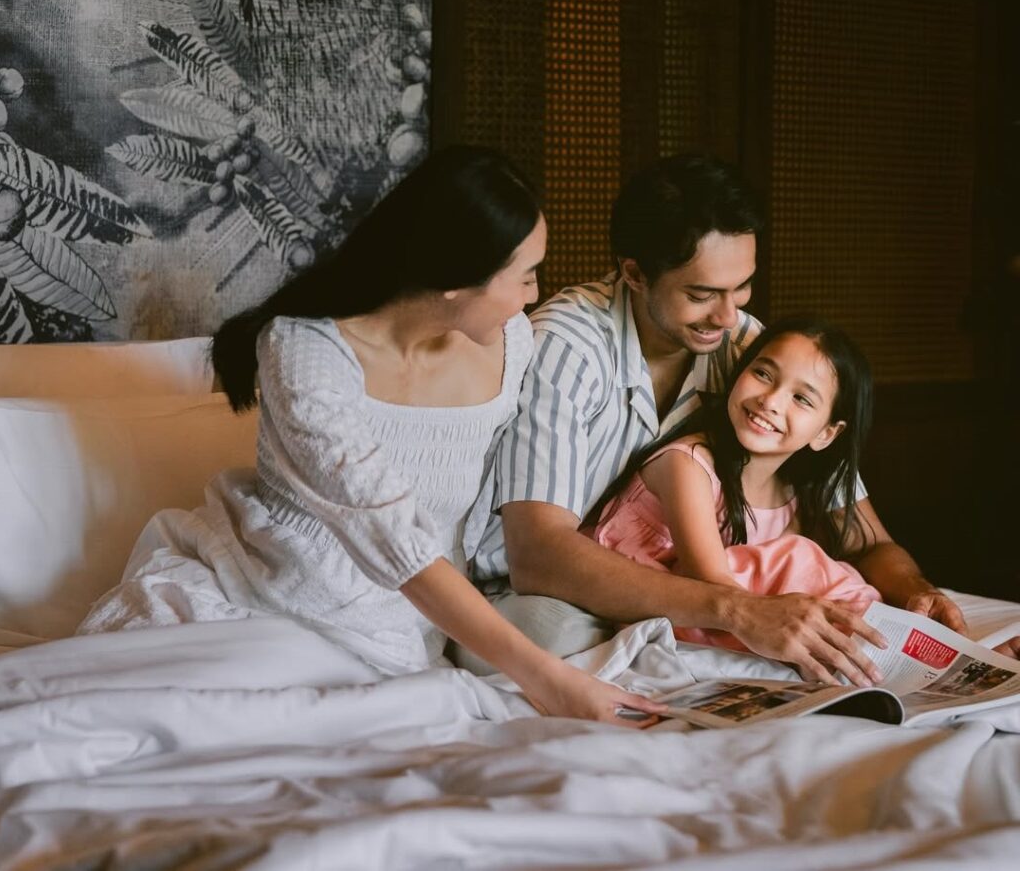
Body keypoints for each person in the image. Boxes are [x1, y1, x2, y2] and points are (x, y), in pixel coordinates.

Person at [78, 145, 667, 728]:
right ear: (455, 282)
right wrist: (551, 681)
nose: (535, 295)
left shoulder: (512, 342)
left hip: (415, 618)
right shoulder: (304, 352)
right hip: (273, 592)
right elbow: (393, 540)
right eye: (525, 277)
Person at [463, 154, 964, 686]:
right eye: (702, 295)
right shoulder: (567, 346)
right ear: (634, 273)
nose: (728, 317)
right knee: (561, 646)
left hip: (691, 595)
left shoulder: (747, 347)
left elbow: (864, 539)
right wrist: (737, 611)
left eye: (741, 287)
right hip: (539, 591)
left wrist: (913, 590)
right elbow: (538, 556)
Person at [587, 315, 882, 652]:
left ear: (827, 433)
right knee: (800, 559)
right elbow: (714, 590)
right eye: (763, 374)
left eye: (801, 399)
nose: (770, 401)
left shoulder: (792, 490)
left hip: (720, 615)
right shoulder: (687, 464)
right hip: (657, 603)